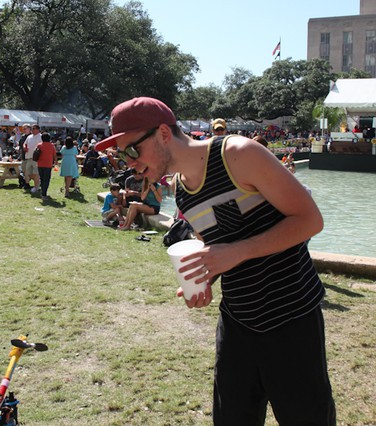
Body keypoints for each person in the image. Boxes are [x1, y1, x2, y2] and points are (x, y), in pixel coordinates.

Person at [94, 97, 335, 425]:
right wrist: (206, 273)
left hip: (291, 318)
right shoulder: (181, 190)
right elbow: (221, 243)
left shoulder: (238, 154)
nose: (129, 164)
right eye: (121, 156)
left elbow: (309, 220)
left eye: (132, 151)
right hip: (237, 323)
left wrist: (235, 253)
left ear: (163, 133)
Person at [35, 132, 57, 201]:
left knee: (42, 178)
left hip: (40, 164)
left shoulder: (39, 145)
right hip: (48, 165)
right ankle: (44, 194)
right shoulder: (51, 145)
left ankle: (42, 190)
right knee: (46, 179)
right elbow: (54, 155)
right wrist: (55, 162)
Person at [23, 125, 42, 193]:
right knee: (27, 173)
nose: (32, 130)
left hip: (36, 158)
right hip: (29, 157)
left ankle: (36, 187)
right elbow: (24, 143)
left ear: (38, 129)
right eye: (32, 129)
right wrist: (25, 147)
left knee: (36, 173)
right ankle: (37, 183)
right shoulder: (29, 136)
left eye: (33, 128)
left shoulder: (41, 136)